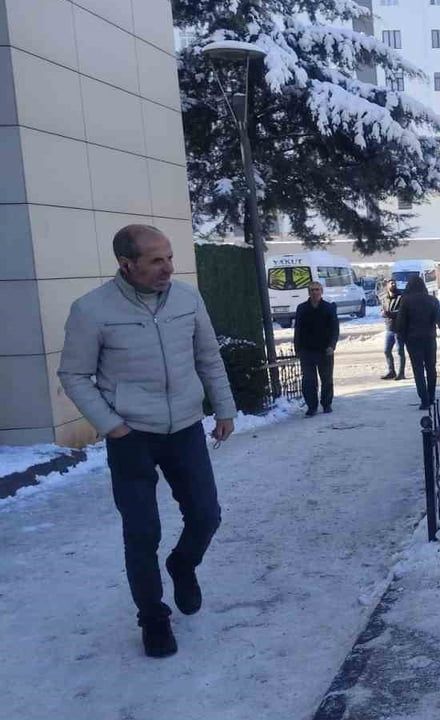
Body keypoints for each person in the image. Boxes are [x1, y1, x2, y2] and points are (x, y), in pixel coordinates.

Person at [58, 224, 235, 659]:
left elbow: (207, 356)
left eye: (169, 257)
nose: (168, 268)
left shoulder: (188, 299)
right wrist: (111, 424)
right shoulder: (91, 310)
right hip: (131, 436)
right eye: (156, 261)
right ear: (126, 264)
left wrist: (224, 408)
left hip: (186, 429)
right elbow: (74, 374)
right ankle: (153, 618)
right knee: (141, 531)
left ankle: (183, 565)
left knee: (207, 515)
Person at [395, 276, 440, 410]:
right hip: (430, 338)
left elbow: (401, 323)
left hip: (412, 339)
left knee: (418, 369)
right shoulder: (432, 300)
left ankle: (424, 399)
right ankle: (431, 396)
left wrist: (401, 340)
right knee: (431, 368)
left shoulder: (406, 301)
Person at [294, 281, 340, 417]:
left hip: (324, 350)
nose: (315, 292)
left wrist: (332, 346)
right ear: (309, 292)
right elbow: (298, 330)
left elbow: (335, 329)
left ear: (322, 292)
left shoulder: (329, 308)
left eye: (317, 290)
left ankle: (326, 404)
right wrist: (298, 348)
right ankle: (311, 406)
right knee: (308, 380)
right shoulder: (302, 308)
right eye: (312, 290)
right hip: (307, 350)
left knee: (326, 379)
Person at [380, 278, 406, 381]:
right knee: (386, 351)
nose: (393, 284)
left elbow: (402, 312)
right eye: (391, 283)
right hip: (389, 328)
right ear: (387, 285)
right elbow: (383, 309)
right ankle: (391, 371)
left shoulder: (401, 297)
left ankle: (401, 373)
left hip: (399, 328)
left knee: (400, 351)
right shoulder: (385, 298)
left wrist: (388, 314)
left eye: (394, 282)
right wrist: (383, 313)